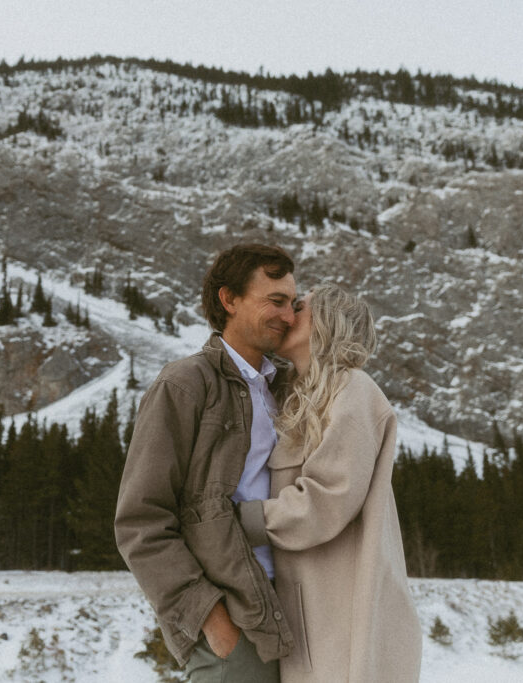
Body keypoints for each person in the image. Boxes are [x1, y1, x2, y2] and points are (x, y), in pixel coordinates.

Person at [115, 243, 299, 682]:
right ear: (229, 300)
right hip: (234, 622)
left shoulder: (284, 388)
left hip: (292, 610)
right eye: (275, 301)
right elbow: (140, 522)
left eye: (293, 303)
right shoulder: (184, 385)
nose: (289, 316)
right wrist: (210, 618)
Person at [236, 283, 422, 682]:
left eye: (300, 307)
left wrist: (241, 520)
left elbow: (326, 499)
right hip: (313, 608)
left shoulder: (352, 390)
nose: (287, 314)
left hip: (344, 608)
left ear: (327, 324)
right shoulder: (292, 395)